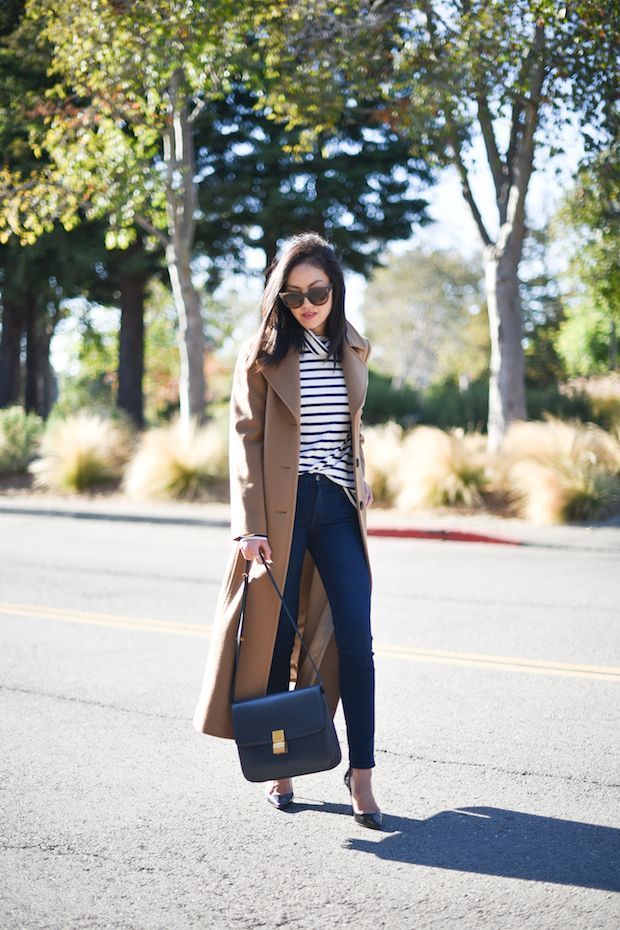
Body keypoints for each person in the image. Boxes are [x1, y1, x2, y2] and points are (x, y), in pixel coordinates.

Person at [193, 231, 381, 829]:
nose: (308, 303)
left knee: (357, 639)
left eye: (319, 291)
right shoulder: (264, 353)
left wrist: (362, 475)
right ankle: (283, 761)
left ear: (336, 290)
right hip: (282, 509)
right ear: (280, 294)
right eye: (295, 293)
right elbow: (245, 444)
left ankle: (363, 772)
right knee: (275, 638)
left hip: (339, 509)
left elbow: (347, 426)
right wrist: (247, 526)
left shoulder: (351, 347)